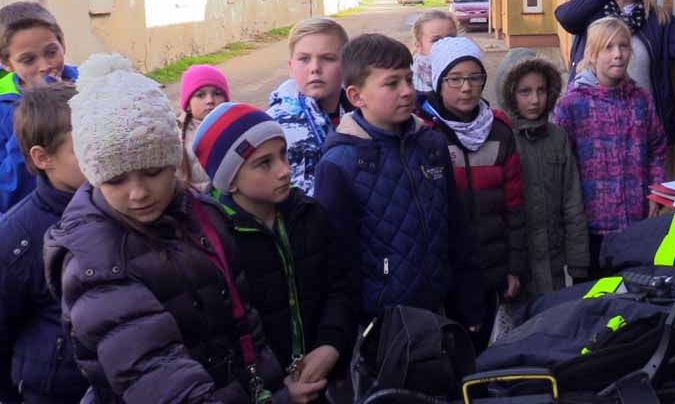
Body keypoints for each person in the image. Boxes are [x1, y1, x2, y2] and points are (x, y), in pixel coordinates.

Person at [43, 54, 319, 403]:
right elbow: (160, 378)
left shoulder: (202, 212)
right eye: (115, 180)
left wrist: (272, 388)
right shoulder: (94, 264)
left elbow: (245, 322)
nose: (138, 193)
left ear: (174, 161)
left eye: (153, 171)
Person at [313, 34, 484, 333]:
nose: (407, 91)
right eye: (391, 84)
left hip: (440, 310)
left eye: (408, 79)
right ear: (356, 96)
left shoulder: (431, 143)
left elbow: (455, 227)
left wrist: (469, 303)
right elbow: (337, 263)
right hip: (383, 324)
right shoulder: (338, 164)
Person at [193, 102, 358, 395]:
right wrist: (277, 391)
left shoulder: (309, 215)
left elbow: (340, 286)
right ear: (230, 181)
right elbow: (222, 339)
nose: (284, 170)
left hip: (323, 378)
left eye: (283, 154)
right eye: (264, 163)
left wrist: (331, 344)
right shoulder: (214, 243)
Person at [420, 36, 525, 351]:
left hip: (492, 268)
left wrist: (514, 268)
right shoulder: (425, 134)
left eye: (474, 78)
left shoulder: (500, 132)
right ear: (439, 82)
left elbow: (515, 206)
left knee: (484, 350)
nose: (466, 87)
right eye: (455, 79)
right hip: (445, 275)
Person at [553, 17, 666, 276]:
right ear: (592, 54)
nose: (618, 54)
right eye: (608, 47)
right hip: (592, 228)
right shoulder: (572, 105)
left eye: (623, 46)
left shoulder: (641, 99)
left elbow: (657, 147)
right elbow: (561, 166)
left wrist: (656, 192)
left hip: (636, 222)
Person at [554, 0, 675, 146]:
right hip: (591, 126)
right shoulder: (592, 10)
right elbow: (564, 16)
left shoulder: (657, 18)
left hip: (643, 127)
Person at [0, 83, 89, 403]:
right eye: (84, 146)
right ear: (42, 157)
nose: (100, 154)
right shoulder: (17, 239)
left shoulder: (126, 204)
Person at [494, 48, 589, 296]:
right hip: (517, 268)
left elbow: (572, 201)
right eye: (525, 92)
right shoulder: (500, 138)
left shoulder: (558, 137)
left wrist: (578, 260)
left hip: (553, 263)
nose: (535, 100)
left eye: (541, 90)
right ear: (509, 93)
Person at [0, 2, 78, 212]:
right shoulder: (3, 106)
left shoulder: (88, 83)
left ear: (62, 44)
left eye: (51, 52)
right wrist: (33, 115)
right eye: (28, 60)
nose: (45, 66)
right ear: (6, 63)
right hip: (40, 215)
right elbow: (6, 193)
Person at [268, 17, 352, 196]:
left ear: (346, 65)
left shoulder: (366, 115)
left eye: (328, 58)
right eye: (304, 59)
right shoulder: (272, 127)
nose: (315, 68)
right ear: (291, 67)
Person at [177, 64, 230, 193]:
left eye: (217, 94)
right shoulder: (175, 135)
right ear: (188, 105)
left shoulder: (235, 127)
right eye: (200, 95)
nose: (210, 100)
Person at [411, 9, 459, 94]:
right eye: (436, 40)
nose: (445, 44)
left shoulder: (467, 68)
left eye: (450, 38)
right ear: (419, 46)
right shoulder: (409, 80)